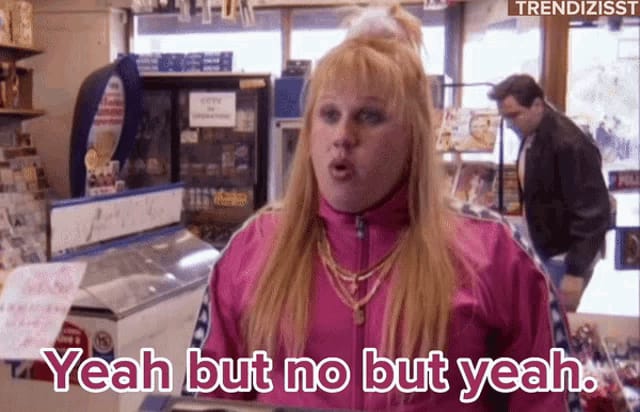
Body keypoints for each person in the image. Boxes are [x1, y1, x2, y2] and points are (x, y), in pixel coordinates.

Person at [185, 6, 573, 412]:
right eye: (329, 114)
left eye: (369, 116)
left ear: (413, 137)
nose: (343, 135)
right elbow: (206, 399)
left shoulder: (494, 256)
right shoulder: (253, 249)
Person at [488, 74, 611, 312]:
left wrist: (575, 271)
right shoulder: (533, 133)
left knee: (550, 323)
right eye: (504, 117)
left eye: (514, 115)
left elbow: (593, 211)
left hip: (564, 257)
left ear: (537, 105)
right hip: (549, 250)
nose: (509, 124)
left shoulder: (568, 143)